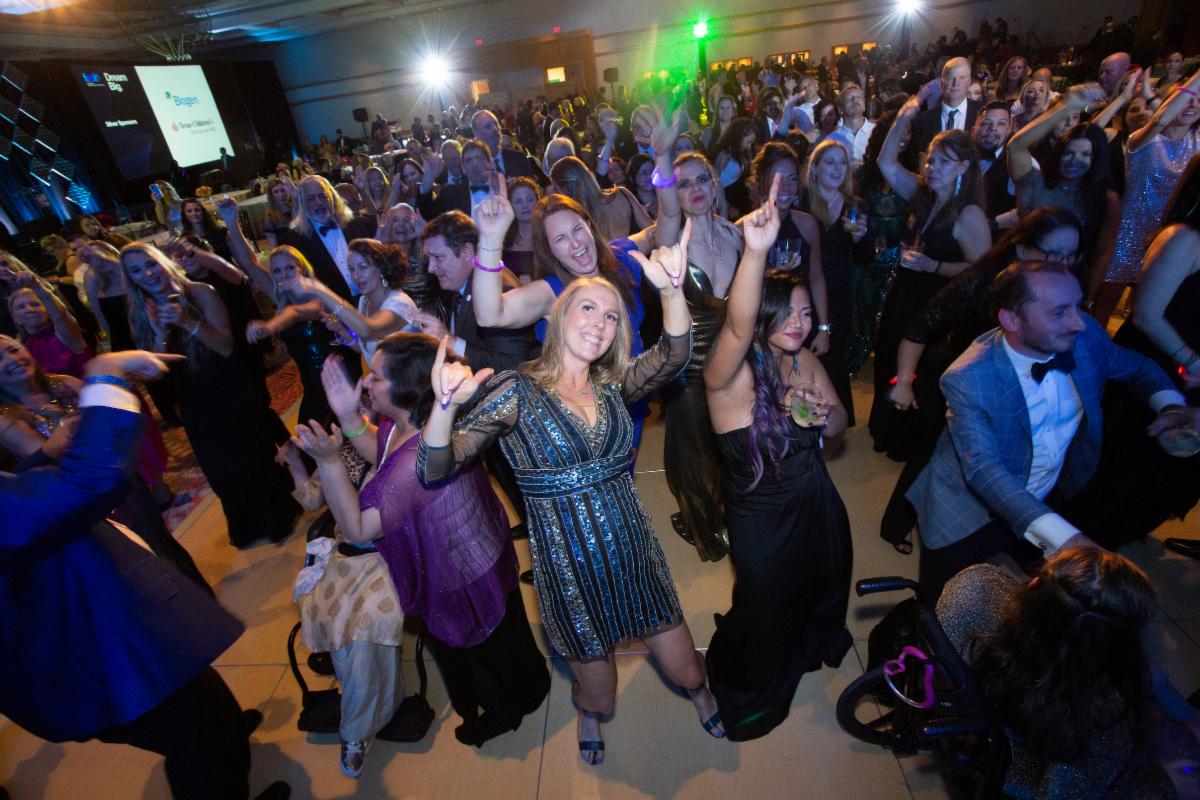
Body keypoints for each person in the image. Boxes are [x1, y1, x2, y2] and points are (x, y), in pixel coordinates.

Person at [420, 215, 723, 765]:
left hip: (633, 555)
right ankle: (588, 710)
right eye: (588, 308)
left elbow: (675, 354)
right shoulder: (515, 390)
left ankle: (701, 694)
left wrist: (671, 291)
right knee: (601, 696)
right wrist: (443, 410)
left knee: (687, 669)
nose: (600, 323)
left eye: (611, 316)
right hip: (568, 575)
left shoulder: (615, 384)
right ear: (559, 315)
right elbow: (435, 468)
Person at [0, 348, 289, 800]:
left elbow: (21, 501)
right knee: (199, 740)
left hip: (86, 623)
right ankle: (217, 746)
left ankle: (224, 730)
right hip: (81, 656)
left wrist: (39, 461)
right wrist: (105, 377)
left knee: (204, 699)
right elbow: (86, 484)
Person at [291, 336, 548, 767]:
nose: (366, 383)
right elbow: (382, 451)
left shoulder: (416, 460)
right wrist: (350, 417)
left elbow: (357, 526)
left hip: (461, 572)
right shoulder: (414, 423)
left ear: (407, 390)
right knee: (501, 637)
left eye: (375, 377)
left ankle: (504, 708)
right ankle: (523, 688)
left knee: (481, 649)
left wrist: (330, 462)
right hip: (478, 548)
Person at [907, 261, 1197, 601]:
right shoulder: (969, 377)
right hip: (969, 509)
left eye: (1078, 306)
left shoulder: (1085, 337)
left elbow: (1138, 367)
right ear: (1011, 320)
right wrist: (1066, 538)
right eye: (1060, 312)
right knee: (943, 600)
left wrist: (1169, 405)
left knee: (1037, 601)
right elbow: (984, 469)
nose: (1079, 322)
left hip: (1047, 495)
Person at [702, 174, 853, 741]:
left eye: (806, 313)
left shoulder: (805, 361)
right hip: (763, 519)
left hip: (816, 501)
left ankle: (804, 650)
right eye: (787, 313)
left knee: (818, 587)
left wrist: (819, 413)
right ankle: (747, 693)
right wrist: (755, 252)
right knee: (764, 606)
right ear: (762, 315)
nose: (799, 323)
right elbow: (737, 325)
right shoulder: (729, 377)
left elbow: (840, 424)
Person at [880, 208, 1083, 552]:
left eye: (1071, 254)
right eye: (1054, 253)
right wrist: (903, 381)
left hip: (1006, 382)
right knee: (932, 457)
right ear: (1022, 249)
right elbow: (917, 330)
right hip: (950, 379)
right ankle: (897, 524)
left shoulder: (1064, 287)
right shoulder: (983, 279)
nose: (1064, 263)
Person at [936, 549, 1200, 799]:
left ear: (1036, 585)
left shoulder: (974, 588)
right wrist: (1164, 783)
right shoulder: (1103, 711)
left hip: (962, 721)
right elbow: (1062, 793)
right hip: (1014, 767)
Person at [1056, 155, 1200, 547]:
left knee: (1162, 472)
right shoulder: (1185, 238)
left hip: (1188, 372)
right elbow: (1147, 314)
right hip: (1156, 365)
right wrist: (1193, 361)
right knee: (1123, 466)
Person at [120, 243, 300, 547]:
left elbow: (225, 347)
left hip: (228, 384)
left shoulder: (200, 292)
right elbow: (155, 373)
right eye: (136, 270)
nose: (148, 274)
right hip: (192, 396)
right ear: (131, 279)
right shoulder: (139, 313)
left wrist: (186, 321)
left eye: (150, 264)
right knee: (219, 467)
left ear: (162, 261)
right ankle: (248, 527)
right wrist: (161, 333)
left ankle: (279, 518)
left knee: (252, 456)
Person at [868, 99, 991, 460]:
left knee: (918, 372)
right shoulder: (923, 194)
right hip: (906, 293)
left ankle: (906, 441)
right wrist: (903, 117)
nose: (932, 168)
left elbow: (982, 271)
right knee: (889, 356)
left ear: (964, 167)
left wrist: (933, 266)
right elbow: (885, 163)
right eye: (931, 160)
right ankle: (888, 429)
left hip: (938, 305)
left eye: (943, 162)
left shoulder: (969, 214)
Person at [649, 112, 743, 560]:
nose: (695, 189)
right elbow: (667, 208)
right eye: (684, 184)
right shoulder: (672, 238)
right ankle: (705, 526)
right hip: (688, 365)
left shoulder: (736, 235)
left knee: (734, 446)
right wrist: (662, 154)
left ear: (716, 183)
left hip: (736, 360)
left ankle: (734, 516)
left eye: (702, 179)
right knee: (698, 454)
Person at [1093, 67, 1200, 325]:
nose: (1192, 105)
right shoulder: (1143, 140)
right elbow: (1160, 121)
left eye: (1198, 101)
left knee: (1144, 307)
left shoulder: (1196, 144)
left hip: (1166, 236)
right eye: (1187, 99)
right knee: (1104, 306)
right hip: (1130, 233)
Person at [242, 246, 362, 426]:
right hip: (312, 386)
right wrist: (231, 228)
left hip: (338, 381)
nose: (284, 275)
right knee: (311, 438)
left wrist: (269, 326)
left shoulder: (318, 297)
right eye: (277, 270)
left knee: (342, 436)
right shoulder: (281, 297)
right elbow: (249, 264)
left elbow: (296, 312)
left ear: (303, 270)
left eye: (290, 268)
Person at [799, 139, 869, 425]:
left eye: (842, 163)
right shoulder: (801, 203)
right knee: (804, 352)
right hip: (804, 290)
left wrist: (861, 239)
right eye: (830, 162)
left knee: (832, 353)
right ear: (814, 168)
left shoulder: (855, 205)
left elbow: (864, 257)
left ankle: (832, 420)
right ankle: (803, 415)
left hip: (838, 292)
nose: (837, 169)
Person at [747, 142, 830, 360]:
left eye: (792, 179)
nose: (785, 187)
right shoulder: (743, 230)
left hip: (800, 324)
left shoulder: (807, 224)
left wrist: (823, 328)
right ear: (762, 181)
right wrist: (772, 274)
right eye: (777, 179)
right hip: (763, 328)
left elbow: (817, 276)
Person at [1007, 90, 1119, 243]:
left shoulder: (1105, 197)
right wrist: (1067, 106)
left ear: (1096, 159)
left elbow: (1104, 248)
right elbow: (1015, 147)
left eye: (1085, 154)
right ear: (1058, 152)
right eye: (1068, 153)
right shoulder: (1036, 182)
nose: (1074, 160)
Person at [849, 111, 910, 375]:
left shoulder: (912, 176)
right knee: (860, 310)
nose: (903, 137)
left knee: (889, 315)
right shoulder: (862, 176)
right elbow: (851, 210)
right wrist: (854, 233)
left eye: (908, 131)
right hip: (865, 254)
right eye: (897, 131)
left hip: (898, 257)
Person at [301, 238, 418, 364]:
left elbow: (368, 330)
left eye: (362, 267)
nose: (356, 276)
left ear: (381, 268)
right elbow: (361, 348)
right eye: (351, 269)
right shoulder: (364, 301)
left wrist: (321, 290)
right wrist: (340, 329)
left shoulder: (400, 303)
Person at [275, 175, 378, 302]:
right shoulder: (294, 242)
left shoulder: (357, 224)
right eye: (311, 198)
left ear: (333, 198)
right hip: (336, 309)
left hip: (374, 301)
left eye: (323, 196)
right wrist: (336, 311)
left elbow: (378, 230)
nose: (318, 202)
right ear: (302, 203)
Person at [6, 270, 90, 378]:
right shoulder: (18, 347)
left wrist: (37, 286)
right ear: (16, 318)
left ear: (49, 311)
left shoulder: (66, 333)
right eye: (21, 307)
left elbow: (61, 315)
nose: (29, 309)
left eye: (35, 304)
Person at [549, 156, 653, 241]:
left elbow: (653, 231)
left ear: (567, 188)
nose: (554, 194)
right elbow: (653, 231)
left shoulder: (577, 218)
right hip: (640, 258)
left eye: (556, 189)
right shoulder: (622, 194)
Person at [908, 58, 981, 160]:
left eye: (962, 77)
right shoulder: (922, 122)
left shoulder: (981, 114)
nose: (956, 83)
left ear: (969, 82)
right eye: (951, 78)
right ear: (942, 84)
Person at [973, 100, 1017, 223]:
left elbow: (1028, 208)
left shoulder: (1015, 164)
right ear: (973, 130)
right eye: (986, 123)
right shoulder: (960, 159)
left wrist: (993, 224)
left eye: (1001, 124)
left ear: (1009, 130)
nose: (993, 129)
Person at [471, 109, 538, 177]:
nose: (495, 128)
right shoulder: (475, 168)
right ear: (476, 134)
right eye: (488, 126)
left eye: (496, 124)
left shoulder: (519, 158)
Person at [502, 176, 541, 283]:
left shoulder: (548, 234)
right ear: (510, 205)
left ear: (538, 201)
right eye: (518, 201)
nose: (525, 205)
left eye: (529, 200)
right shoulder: (503, 239)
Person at [262, 177, 296, 249]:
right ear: (271, 195)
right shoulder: (270, 218)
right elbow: (275, 247)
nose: (281, 194)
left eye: (283, 190)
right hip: (288, 252)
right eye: (276, 192)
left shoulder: (296, 208)